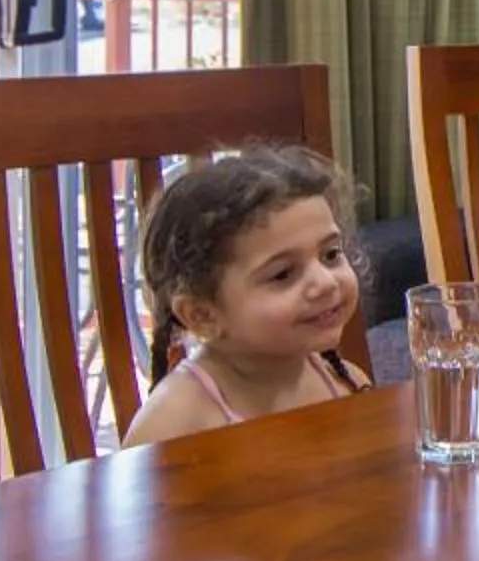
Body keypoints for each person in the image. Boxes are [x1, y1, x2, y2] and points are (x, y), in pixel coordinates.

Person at [122, 144, 368, 448]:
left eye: (330, 254)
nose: (326, 282)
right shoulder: (173, 423)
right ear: (203, 315)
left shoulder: (345, 383)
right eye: (282, 274)